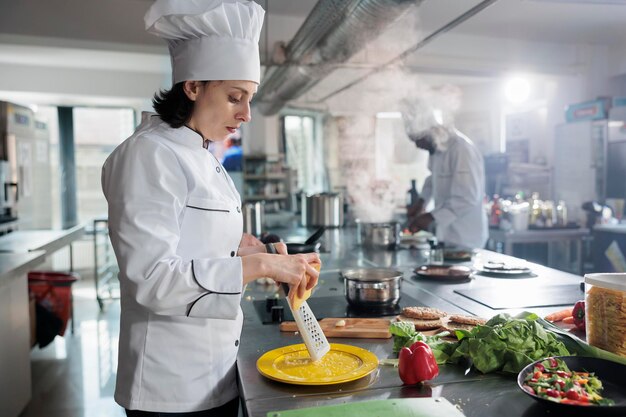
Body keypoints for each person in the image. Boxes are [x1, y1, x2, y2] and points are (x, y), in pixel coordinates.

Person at [101, 1, 320, 416]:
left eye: (250, 98)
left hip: (215, 369)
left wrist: (264, 254)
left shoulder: (202, 154)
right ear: (193, 86)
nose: (246, 113)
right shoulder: (148, 155)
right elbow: (151, 279)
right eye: (235, 96)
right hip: (170, 385)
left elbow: (200, 246)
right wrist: (262, 269)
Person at [402, 100, 488, 249]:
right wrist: (421, 202)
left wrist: (430, 217)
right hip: (446, 236)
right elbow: (432, 178)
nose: (417, 146)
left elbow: (466, 198)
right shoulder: (437, 149)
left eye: (418, 140)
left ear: (430, 132)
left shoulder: (461, 150)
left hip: (466, 238)